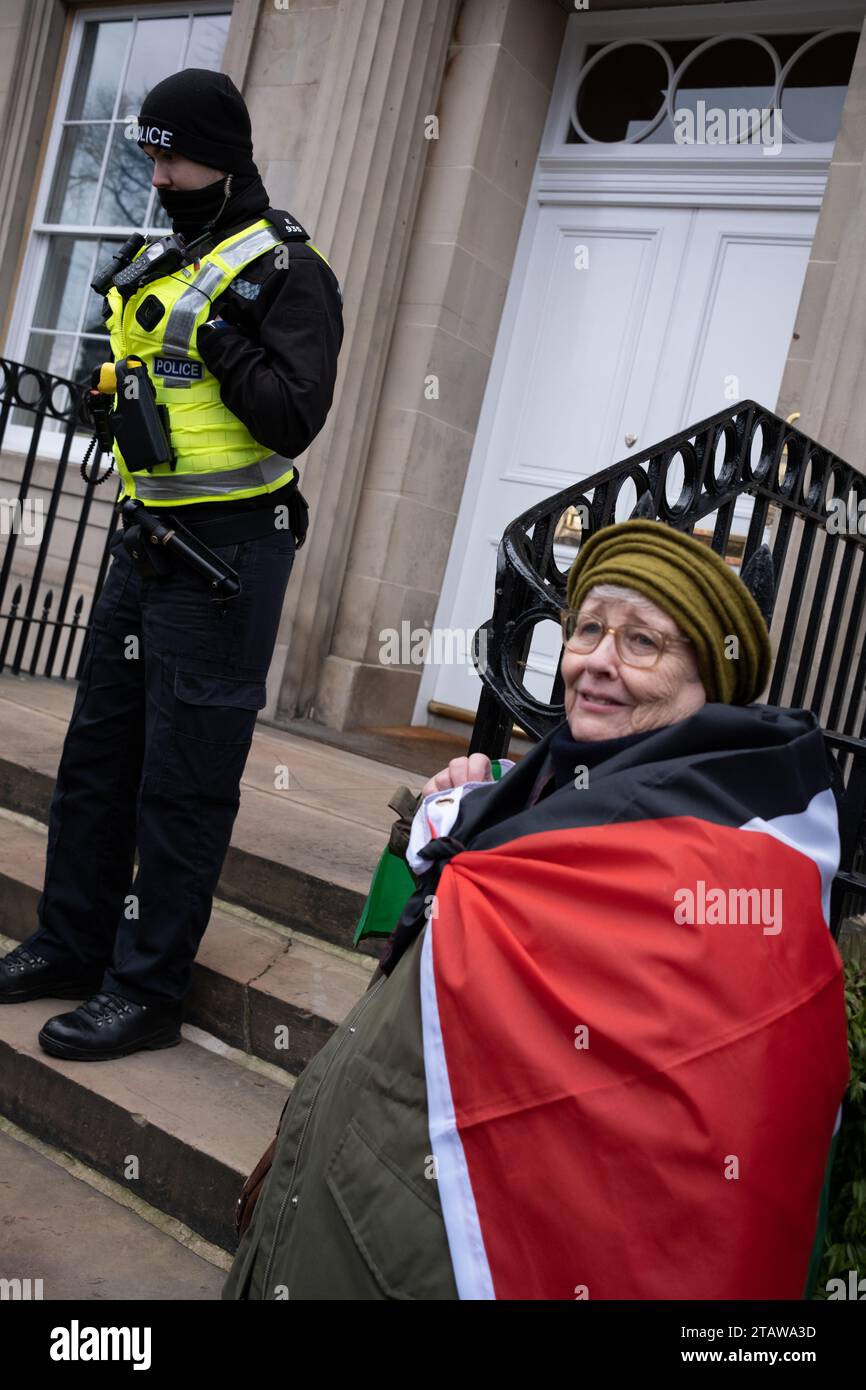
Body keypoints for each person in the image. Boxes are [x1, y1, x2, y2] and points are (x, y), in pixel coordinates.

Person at [224, 513, 849, 1300]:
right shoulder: (557, 784)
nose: (596, 663)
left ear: (711, 683)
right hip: (338, 1209)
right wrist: (461, 827)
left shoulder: (729, 873)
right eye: (587, 628)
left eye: (644, 642)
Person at [0, 69, 344, 1060]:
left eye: (171, 154)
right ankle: (69, 942)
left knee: (182, 785)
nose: (156, 174)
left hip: (227, 558)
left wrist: (223, 337)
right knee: (95, 765)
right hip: (140, 540)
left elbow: (293, 414)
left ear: (221, 155)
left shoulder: (286, 268)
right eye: (148, 155)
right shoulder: (170, 253)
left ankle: (144, 989)